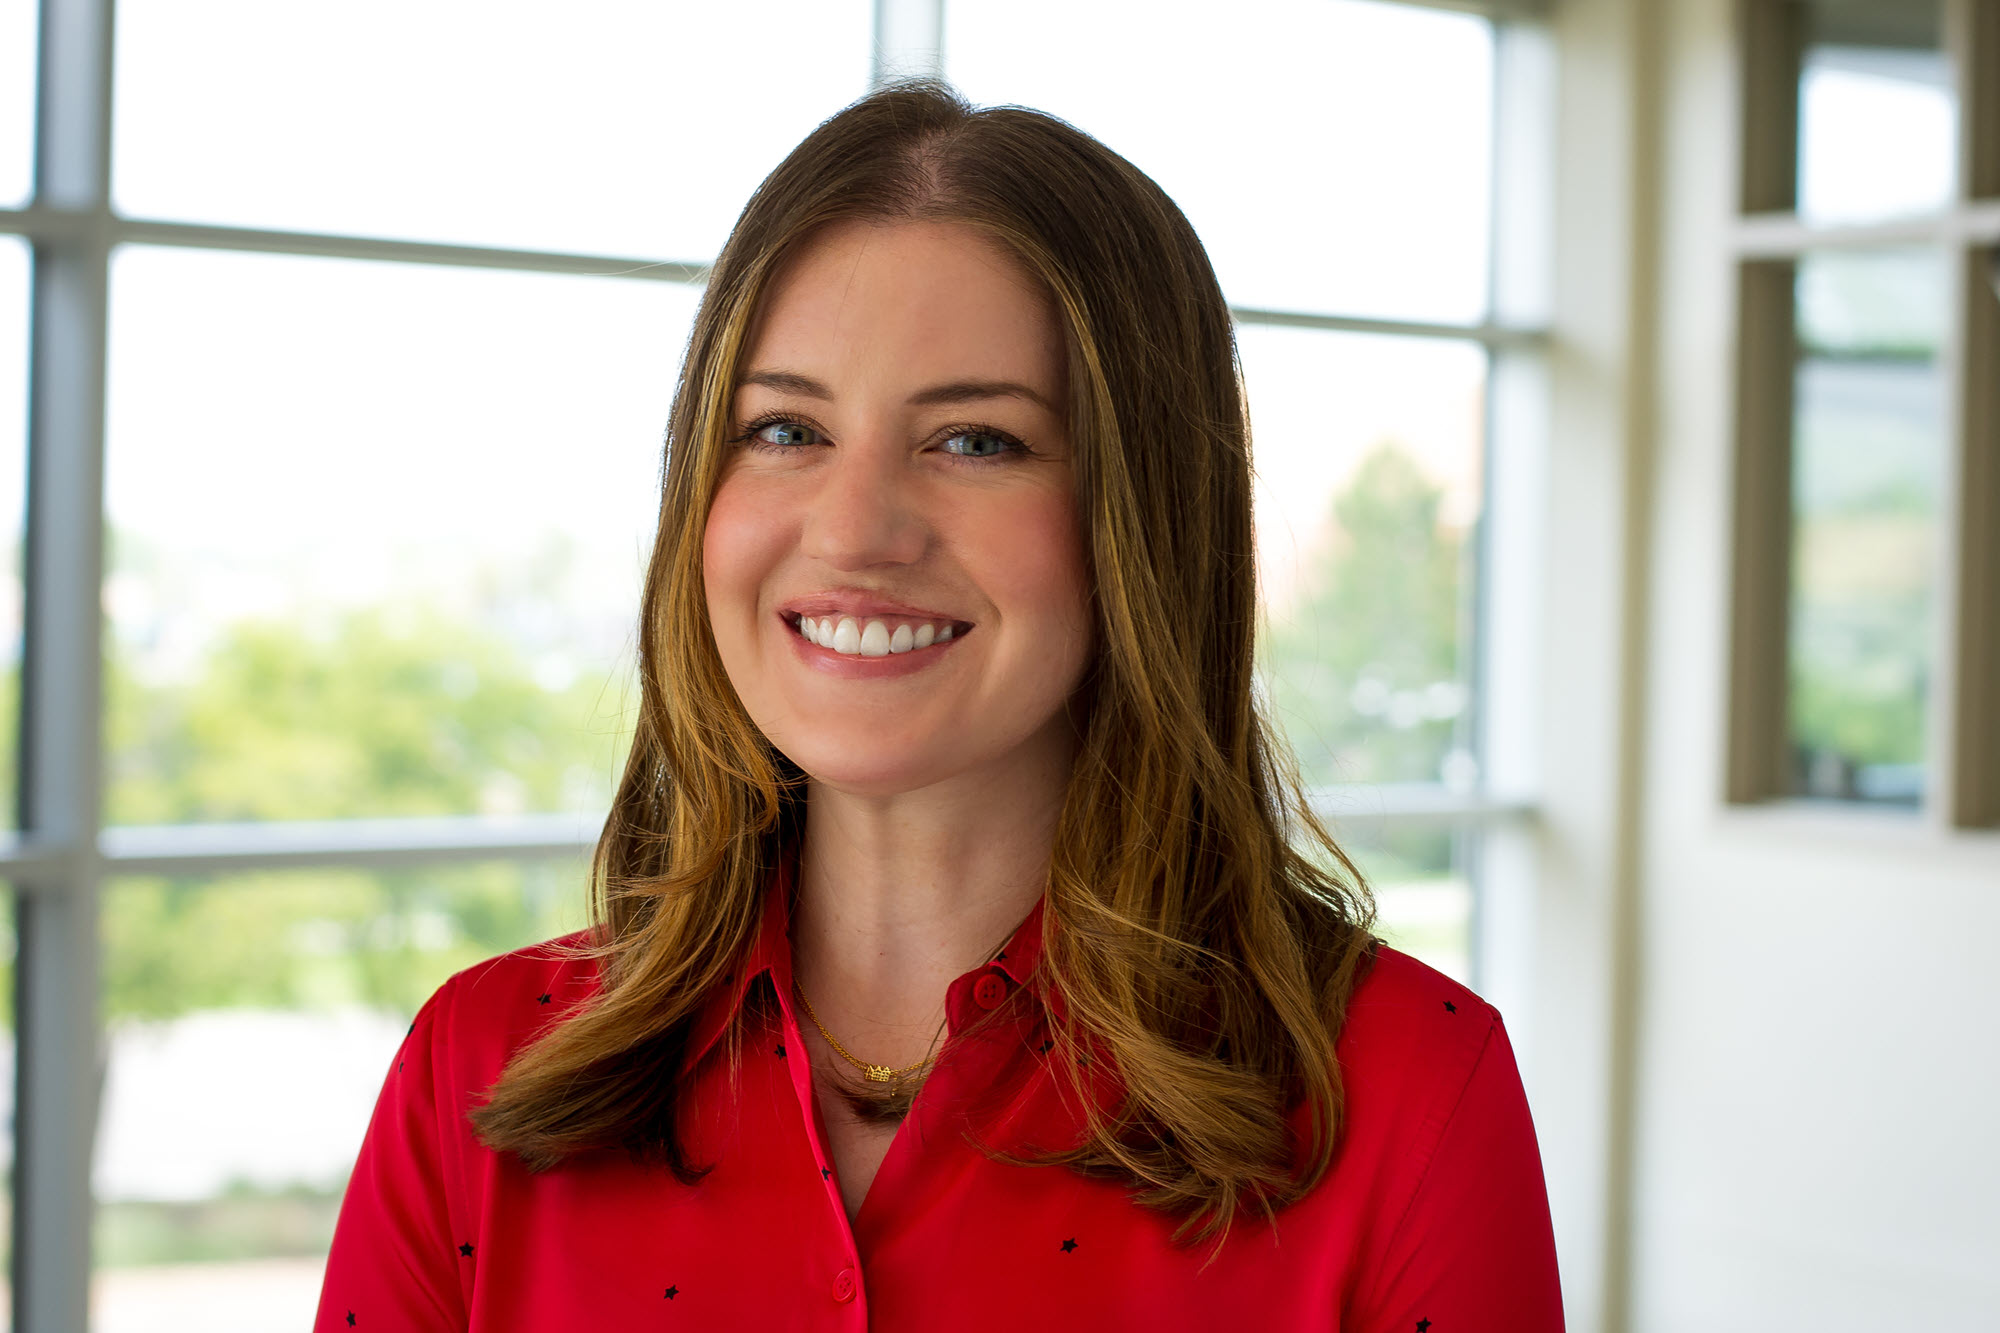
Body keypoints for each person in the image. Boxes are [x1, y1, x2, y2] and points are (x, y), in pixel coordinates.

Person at [315, 81, 1563, 1331]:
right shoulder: (471, 1072)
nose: (853, 530)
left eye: (974, 441)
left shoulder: (1406, 1092)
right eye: (784, 428)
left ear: (1145, 520)